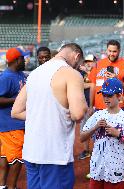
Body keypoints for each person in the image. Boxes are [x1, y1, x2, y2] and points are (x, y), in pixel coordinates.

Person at [11, 43, 88, 189]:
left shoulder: (34, 73)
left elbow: (16, 111)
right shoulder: (71, 74)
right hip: (54, 154)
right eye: (78, 64)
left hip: (31, 152)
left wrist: (43, 113)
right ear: (76, 56)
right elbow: (78, 113)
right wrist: (83, 106)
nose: (77, 67)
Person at [80, 78, 124, 189]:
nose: (106, 98)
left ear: (119, 96)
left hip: (116, 169)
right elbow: (82, 137)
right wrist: (95, 127)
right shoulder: (97, 115)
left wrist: (119, 135)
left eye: (109, 95)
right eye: (104, 95)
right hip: (97, 168)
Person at [0, 47, 28, 189]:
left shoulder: (20, 74)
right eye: (23, 58)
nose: (25, 60)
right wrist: (18, 100)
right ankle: (12, 187)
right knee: (18, 157)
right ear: (17, 60)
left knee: (5, 156)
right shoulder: (6, 77)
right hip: (11, 124)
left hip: (15, 123)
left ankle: (2, 185)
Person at [88, 40, 124, 113]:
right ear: (106, 50)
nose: (111, 54)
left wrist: (117, 81)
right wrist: (91, 106)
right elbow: (93, 85)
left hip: (118, 108)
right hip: (99, 108)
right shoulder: (99, 64)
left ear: (119, 51)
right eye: (109, 51)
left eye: (114, 51)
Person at [78, 54, 97, 160]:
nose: (89, 63)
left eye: (91, 61)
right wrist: (91, 84)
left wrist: (90, 84)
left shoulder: (99, 73)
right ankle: (86, 150)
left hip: (98, 105)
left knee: (98, 130)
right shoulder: (81, 73)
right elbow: (79, 85)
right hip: (85, 105)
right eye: (87, 62)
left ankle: (98, 151)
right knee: (84, 128)